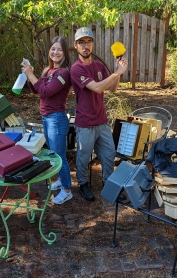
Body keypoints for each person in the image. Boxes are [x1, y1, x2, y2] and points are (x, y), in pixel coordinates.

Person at [70, 27, 128, 201]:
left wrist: (117, 71)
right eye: (81, 42)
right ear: (76, 45)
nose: (85, 46)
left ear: (93, 44)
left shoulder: (99, 65)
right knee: (83, 156)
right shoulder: (76, 69)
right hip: (85, 122)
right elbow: (96, 88)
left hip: (101, 121)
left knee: (109, 154)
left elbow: (111, 89)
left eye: (88, 42)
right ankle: (83, 184)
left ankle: (108, 185)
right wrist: (117, 73)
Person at [21, 36, 73, 205]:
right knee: (54, 154)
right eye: (53, 48)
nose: (55, 52)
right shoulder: (48, 71)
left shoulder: (64, 73)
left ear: (65, 53)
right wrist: (30, 76)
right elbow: (37, 90)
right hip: (46, 118)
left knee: (59, 156)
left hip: (56, 119)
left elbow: (46, 92)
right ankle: (61, 180)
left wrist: (31, 74)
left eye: (59, 49)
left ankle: (66, 190)